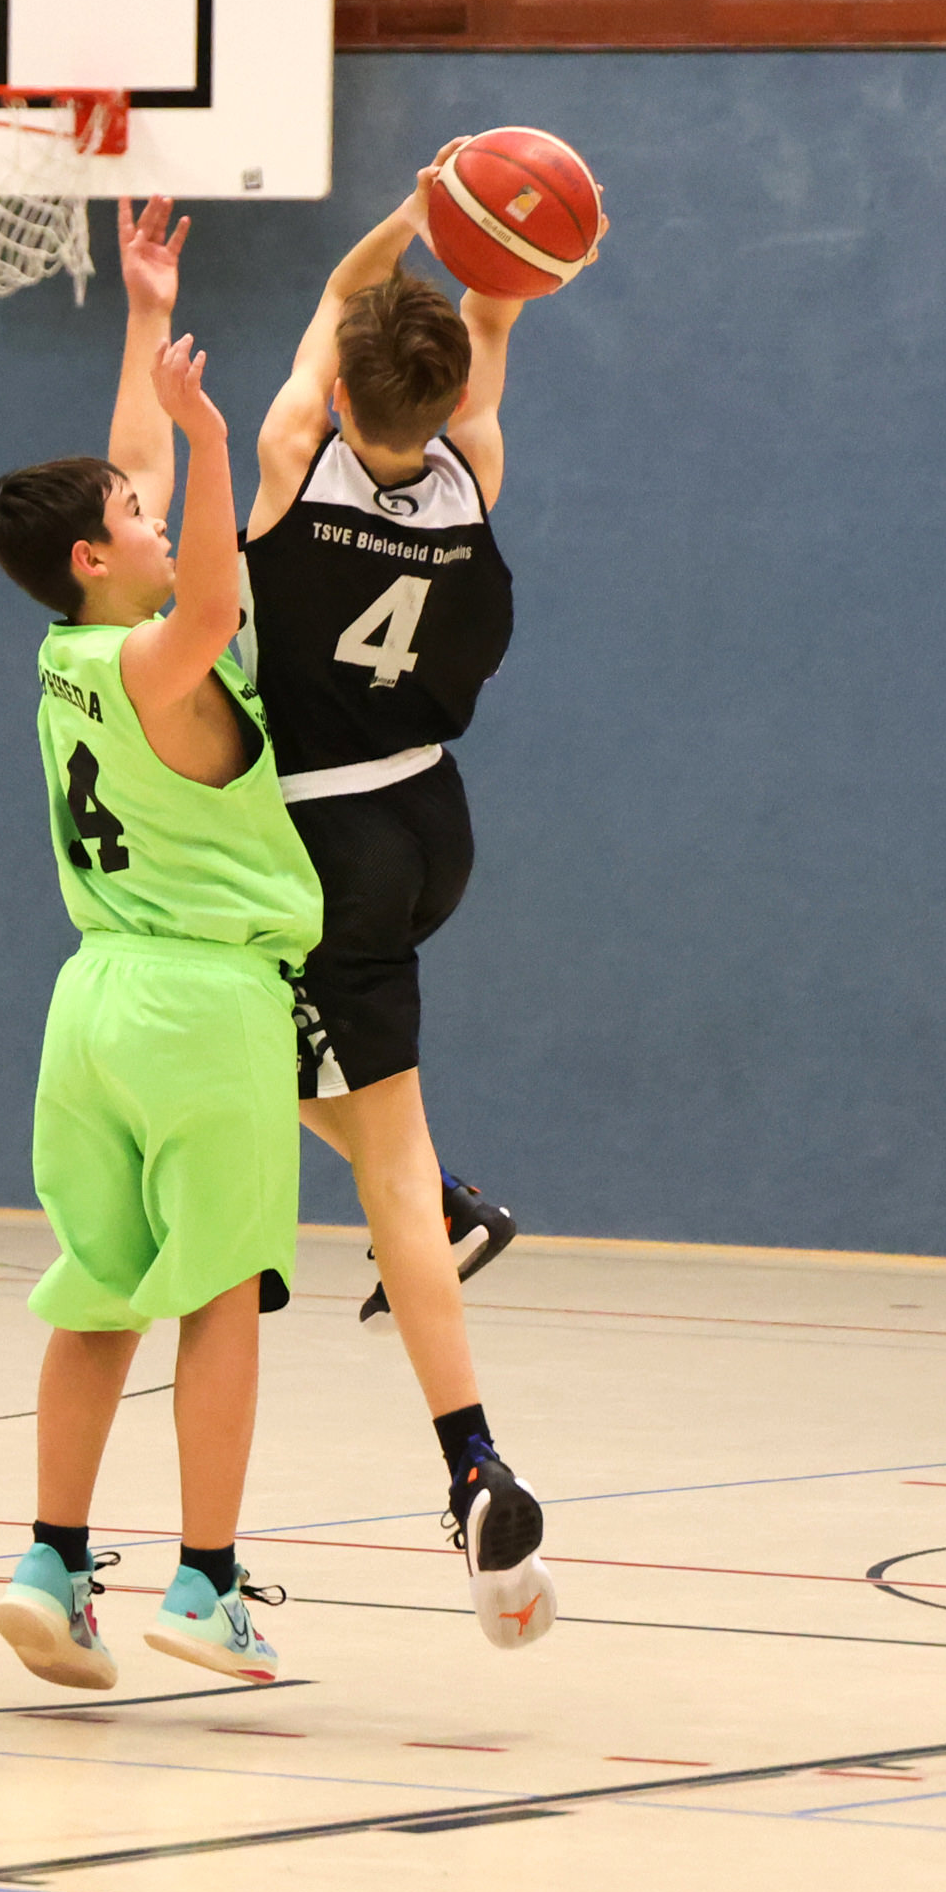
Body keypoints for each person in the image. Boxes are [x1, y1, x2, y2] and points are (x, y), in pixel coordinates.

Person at [208, 159, 561, 1647]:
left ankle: (473, 1461)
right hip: (430, 818)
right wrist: (508, 249)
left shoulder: (293, 454)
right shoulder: (471, 463)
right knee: (262, 1059)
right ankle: (451, 1203)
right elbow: (491, 318)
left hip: (318, 839)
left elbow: (336, 299)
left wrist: (419, 207)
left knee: (379, 1158)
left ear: (342, 395)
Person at [0, 300, 321, 1691]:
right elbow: (215, 605)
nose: (156, 510)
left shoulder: (65, 653)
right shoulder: (155, 659)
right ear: (91, 556)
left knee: (97, 1292)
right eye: (135, 513)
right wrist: (215, 437)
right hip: (203, 1003)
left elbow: (128, 472)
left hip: (91, 1005)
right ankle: (207, 1582)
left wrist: (147, 322)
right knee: (220, 1293)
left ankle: (51, 1565)